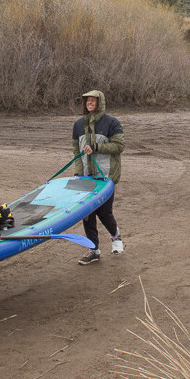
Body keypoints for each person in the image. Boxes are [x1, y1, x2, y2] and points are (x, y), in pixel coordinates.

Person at [72, 90, 125, 265]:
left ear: (99, 102)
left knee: (104, 212)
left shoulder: (112, 122)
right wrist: (79, 174)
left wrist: (96, 147)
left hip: (106, 176)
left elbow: (119, 146)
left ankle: (116, 237)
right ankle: (93, 250)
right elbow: (76, 153)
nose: (90, 103)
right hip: (86, 178)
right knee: (87, 214)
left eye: (93, 100)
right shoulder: (78, 125)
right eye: (87, 101)